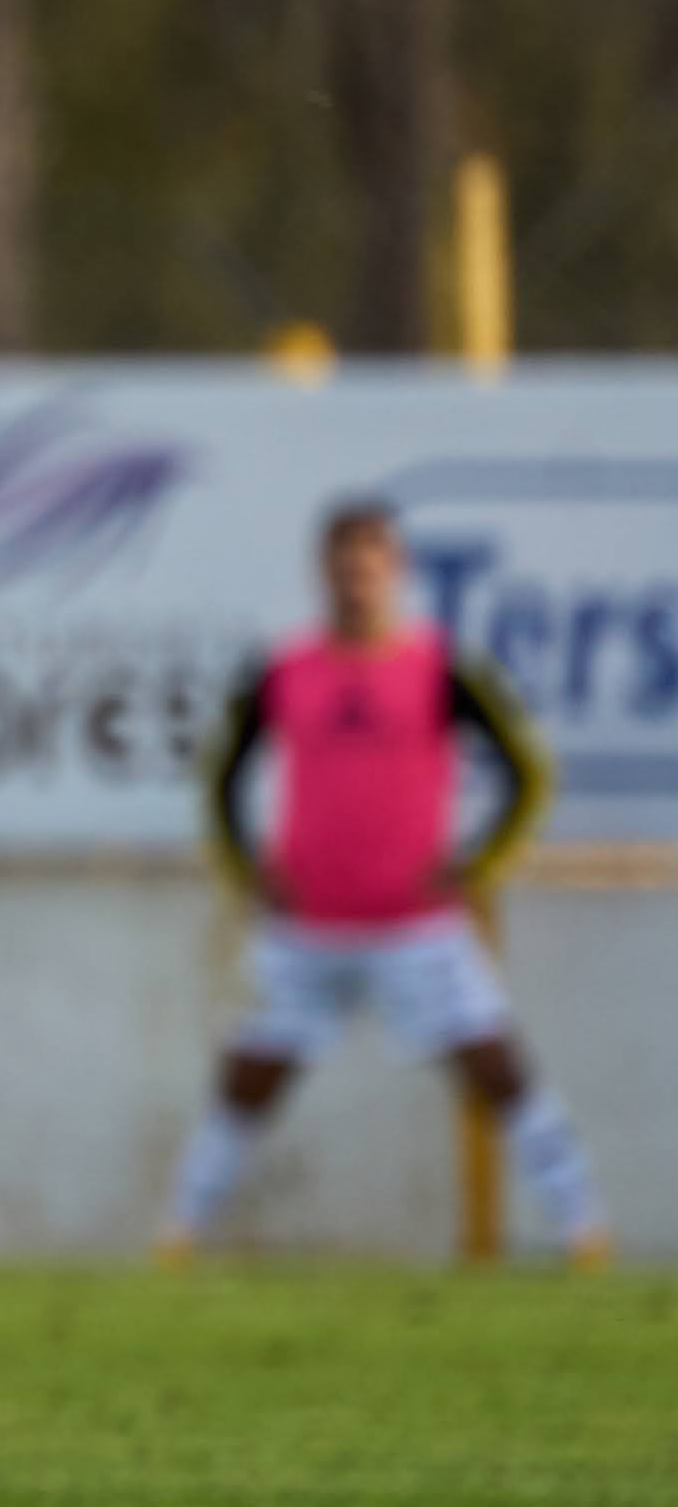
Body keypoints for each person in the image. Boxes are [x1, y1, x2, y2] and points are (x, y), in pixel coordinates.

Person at [164, 496, 609, 1267]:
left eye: (369, 567)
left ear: (394, 572)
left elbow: (528, 774)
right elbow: (221, 776)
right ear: (322, 573)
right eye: (342, 568)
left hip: (414, 922)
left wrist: (475, 863)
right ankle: (178, 1232)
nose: (355, 583)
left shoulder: (439, 668)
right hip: (309, 924)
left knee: (495, 1066)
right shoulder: (284, 671)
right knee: (247, 1078)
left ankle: (582, 1226)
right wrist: (246, 868)